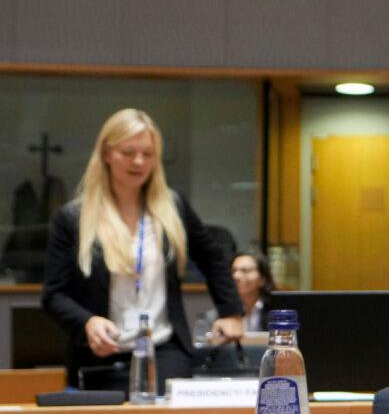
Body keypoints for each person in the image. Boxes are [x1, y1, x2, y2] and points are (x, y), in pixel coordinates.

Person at [42, 108, 243, 389]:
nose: (139, 161)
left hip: (164, 350)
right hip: (99, 356)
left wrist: (231, 313)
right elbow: (53, 295)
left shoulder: (173, 207)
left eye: (148, 154)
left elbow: (213, 258)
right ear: (107, 153)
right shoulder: (74, 218)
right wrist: (88, 323)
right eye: (128, 152)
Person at [230, 251, 275, 332]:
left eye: (245, 270)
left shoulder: (276, 312)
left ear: (262, 279)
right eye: (233, 271)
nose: (236, 276)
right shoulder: (221, 313)